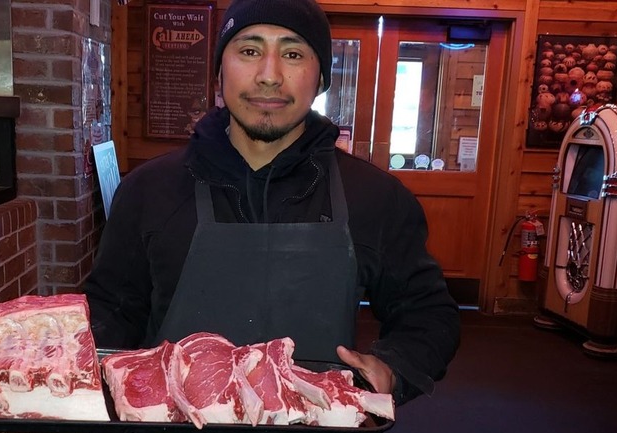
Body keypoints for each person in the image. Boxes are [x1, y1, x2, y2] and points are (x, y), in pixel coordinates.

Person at [83, 0, 460, 406]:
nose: (269, 76)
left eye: (293, 54)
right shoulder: (148, 191)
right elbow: (111, 313)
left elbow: (427, 312)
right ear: (218, 71)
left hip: (317, 425)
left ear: (320, 79)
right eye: (249, 51)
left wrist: (393, 367)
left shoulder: (375, 197)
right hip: (175, 425)